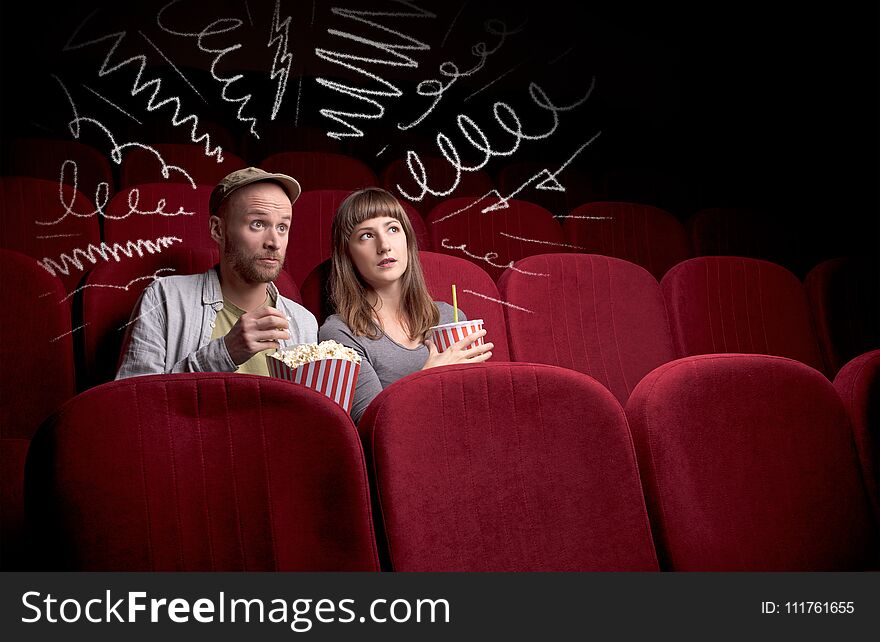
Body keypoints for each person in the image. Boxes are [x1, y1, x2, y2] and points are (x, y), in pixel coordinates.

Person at [116, 167, 318, 379]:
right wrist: (225, 353)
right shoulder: (165, 297)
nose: (274, 242)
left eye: (282, 227)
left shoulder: (303, 323)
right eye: (257, 224)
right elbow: (136, 403)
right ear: (218, 230)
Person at [318, 187, 493, 422]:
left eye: (392, 229)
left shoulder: (449, 317)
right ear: (347, 254)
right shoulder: (339, 333)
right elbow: (374, 426)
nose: (384, 245)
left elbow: (476, 409)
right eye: (366, 236)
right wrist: (428, 378)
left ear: (407, 241)